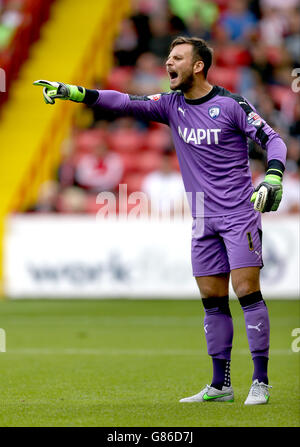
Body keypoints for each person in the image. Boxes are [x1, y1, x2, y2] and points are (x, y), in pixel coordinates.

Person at [33, 36, 287, 405]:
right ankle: (220, 385)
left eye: (177, 57)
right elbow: (121, 100)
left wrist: (274, 175)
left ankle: (260, 382)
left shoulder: (232, 105)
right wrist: (74, 92)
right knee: (212, 300)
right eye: (169, 57)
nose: (169, 63)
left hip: (237, 215)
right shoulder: (170, 105)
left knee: (247, 292)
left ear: (198, 65)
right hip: (202, 221)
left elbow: (273, 139)